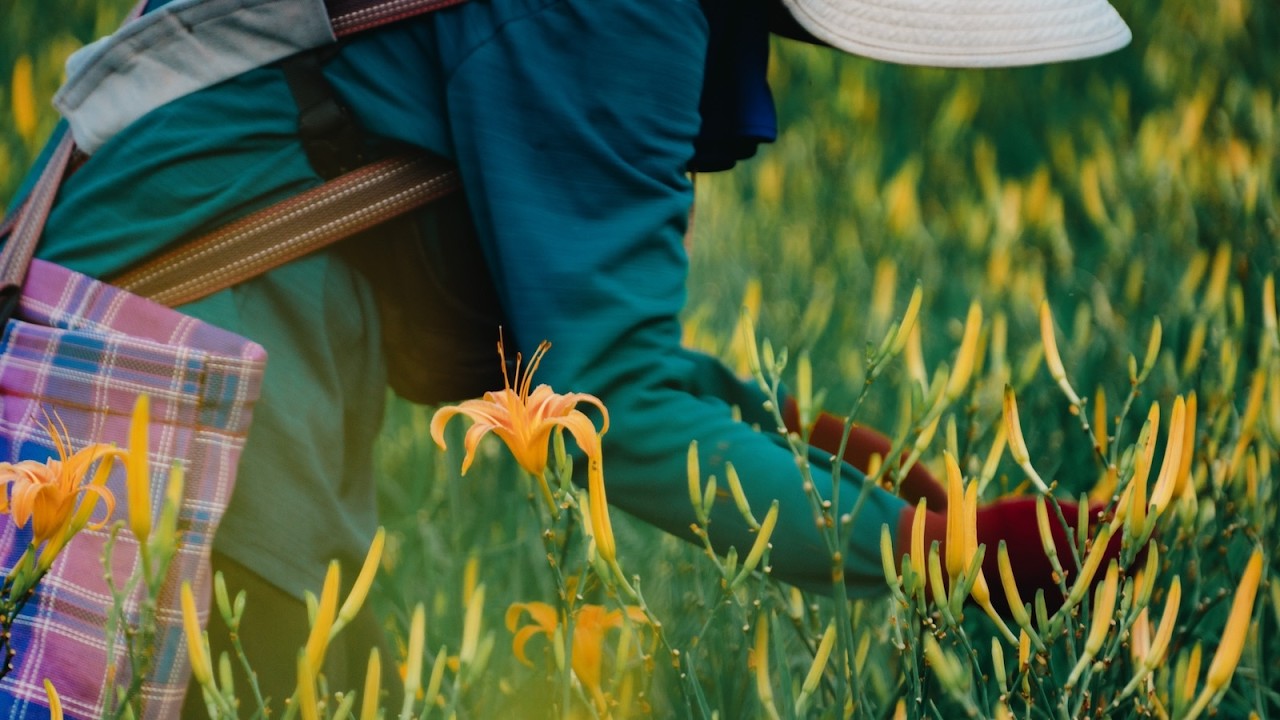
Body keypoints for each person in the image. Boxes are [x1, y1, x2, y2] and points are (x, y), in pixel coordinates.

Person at [8, 0, 1132, 711]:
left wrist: (835, 459)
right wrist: (936, 551)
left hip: (159, 342)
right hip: (178, 386)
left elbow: (569, 355)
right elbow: (613, 416)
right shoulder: (607, 5)